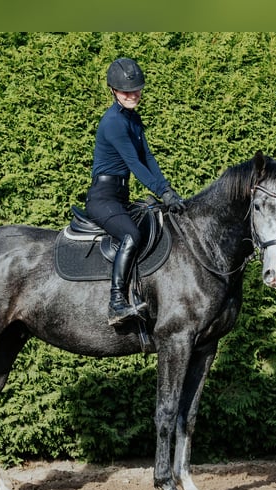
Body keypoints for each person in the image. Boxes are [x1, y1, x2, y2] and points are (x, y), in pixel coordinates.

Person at [85, 57, 186, 326]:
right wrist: (162, 191)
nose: (132, 95)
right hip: (102, 199)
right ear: (113, 91)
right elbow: (134, 164)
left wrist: (167, 190)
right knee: (131, 234)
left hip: (120, 198)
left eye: (136, 89)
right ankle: (116, 302)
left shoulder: (133, 119)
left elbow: (148, 158)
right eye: (125, 91)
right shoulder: (114, 123)